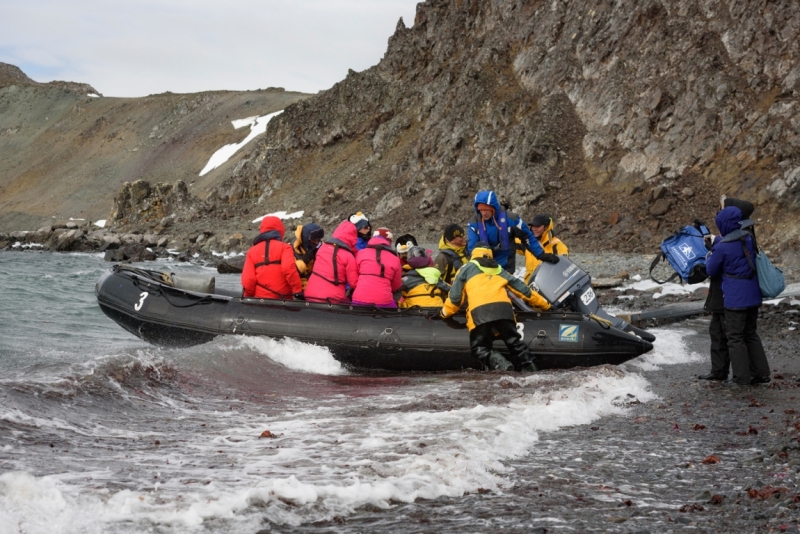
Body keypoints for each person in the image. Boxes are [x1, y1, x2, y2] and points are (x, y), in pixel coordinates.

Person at [440, 242, 551, 371]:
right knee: (515, 344)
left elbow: (455, 300)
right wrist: (546, 305)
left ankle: (503, 366)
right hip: (504, 311)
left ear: (473, 253)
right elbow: (524, 291)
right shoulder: (499, 269)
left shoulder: (466, 269)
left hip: (480, 312)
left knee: (479, 349)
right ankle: (532, 370)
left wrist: (443, 313)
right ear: (490, 255)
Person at [705, 205, 770, 386]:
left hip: (735, 300)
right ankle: (762, 373)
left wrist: (710, 253)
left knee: (735, 338)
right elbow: (732, 244)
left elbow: (711, 269)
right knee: (751, 334)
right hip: (753, 296)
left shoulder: (723, 248)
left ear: (724, 225)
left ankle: (741, 378)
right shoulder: (749, 238)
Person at [698, 197, 756, 381]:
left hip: (728, 291)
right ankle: (754, 373)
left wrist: (712, 250)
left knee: (727, 334)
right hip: (744, 292)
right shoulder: (747, 235)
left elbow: (714, 266)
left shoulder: (727, 243)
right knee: (740, 334)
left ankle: (730, 374)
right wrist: (716, 241)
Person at [467, 190, 559, 272]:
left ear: (493, 207)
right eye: (481, 210)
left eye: (486, 210)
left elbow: (527, 236)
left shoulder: (511, 219)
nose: (483, 213)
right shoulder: (473, 224)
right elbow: (472, 248)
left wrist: (541, 255)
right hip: (484, 268)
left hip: (506, 268)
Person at [241, 216, 303, 299]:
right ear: (280, 230)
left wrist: (248, 297)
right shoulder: (285, 247)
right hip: (284, 300)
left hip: (260, 301)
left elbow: (248, 279)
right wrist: (297, 290)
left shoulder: (251, 251)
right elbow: (288, 269)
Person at [305, 220, 359, 303]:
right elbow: (354, 283)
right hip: (332, 300)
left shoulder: (322, 248)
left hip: (310, 294)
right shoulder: (348, 256)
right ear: (353, 237)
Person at [351, 230, 403, 308]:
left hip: (359, 299)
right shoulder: (395, 258)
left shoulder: (361, 253)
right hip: (384, 301)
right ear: (388, 242)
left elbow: (354, 276)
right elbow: (396, 286)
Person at [522, 214, 570, 284]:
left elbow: (565, 266)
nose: (534, 229)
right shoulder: (528, 242)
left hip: (547, 287)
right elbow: (511, 243)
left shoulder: (557, 245)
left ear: (546, 227)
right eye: (533, 226)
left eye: (537, 226)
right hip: (529, 287)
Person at [292, 223, 324, 289]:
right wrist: (304, 260)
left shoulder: (323, 247)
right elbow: (292, 272)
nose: (316, 243)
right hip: (302, 286)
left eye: (318, 240)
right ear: (306, 239)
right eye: (313, 240)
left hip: (320, 283)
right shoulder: (292, 250)